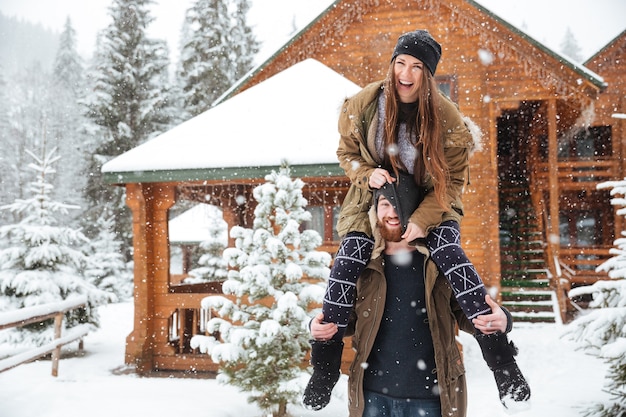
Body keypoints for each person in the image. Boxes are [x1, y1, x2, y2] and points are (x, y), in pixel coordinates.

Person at [302, 29, 530, 411]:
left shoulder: (446, 118)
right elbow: (347, 152)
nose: (405, 73)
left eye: (417, 66)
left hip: (432, 200)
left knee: (450, 256)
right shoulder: (363, 105)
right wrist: (365, 175)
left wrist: (423, 219)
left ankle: (503, 364)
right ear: (392, 64)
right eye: (400, 63)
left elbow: (453, 181)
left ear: (429, 74)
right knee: (348, 260)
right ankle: (323, 370)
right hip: (372, 199)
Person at [309, 182, 515, 417]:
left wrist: (502, 320)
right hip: (372, 397)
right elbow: (352, 319)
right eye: (384, 204)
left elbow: (465, 311)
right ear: (375, 209)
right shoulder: (365, 264)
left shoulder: (438, 260)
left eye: (399, 204)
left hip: (432, 398)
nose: (392, 213)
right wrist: (319, 328)